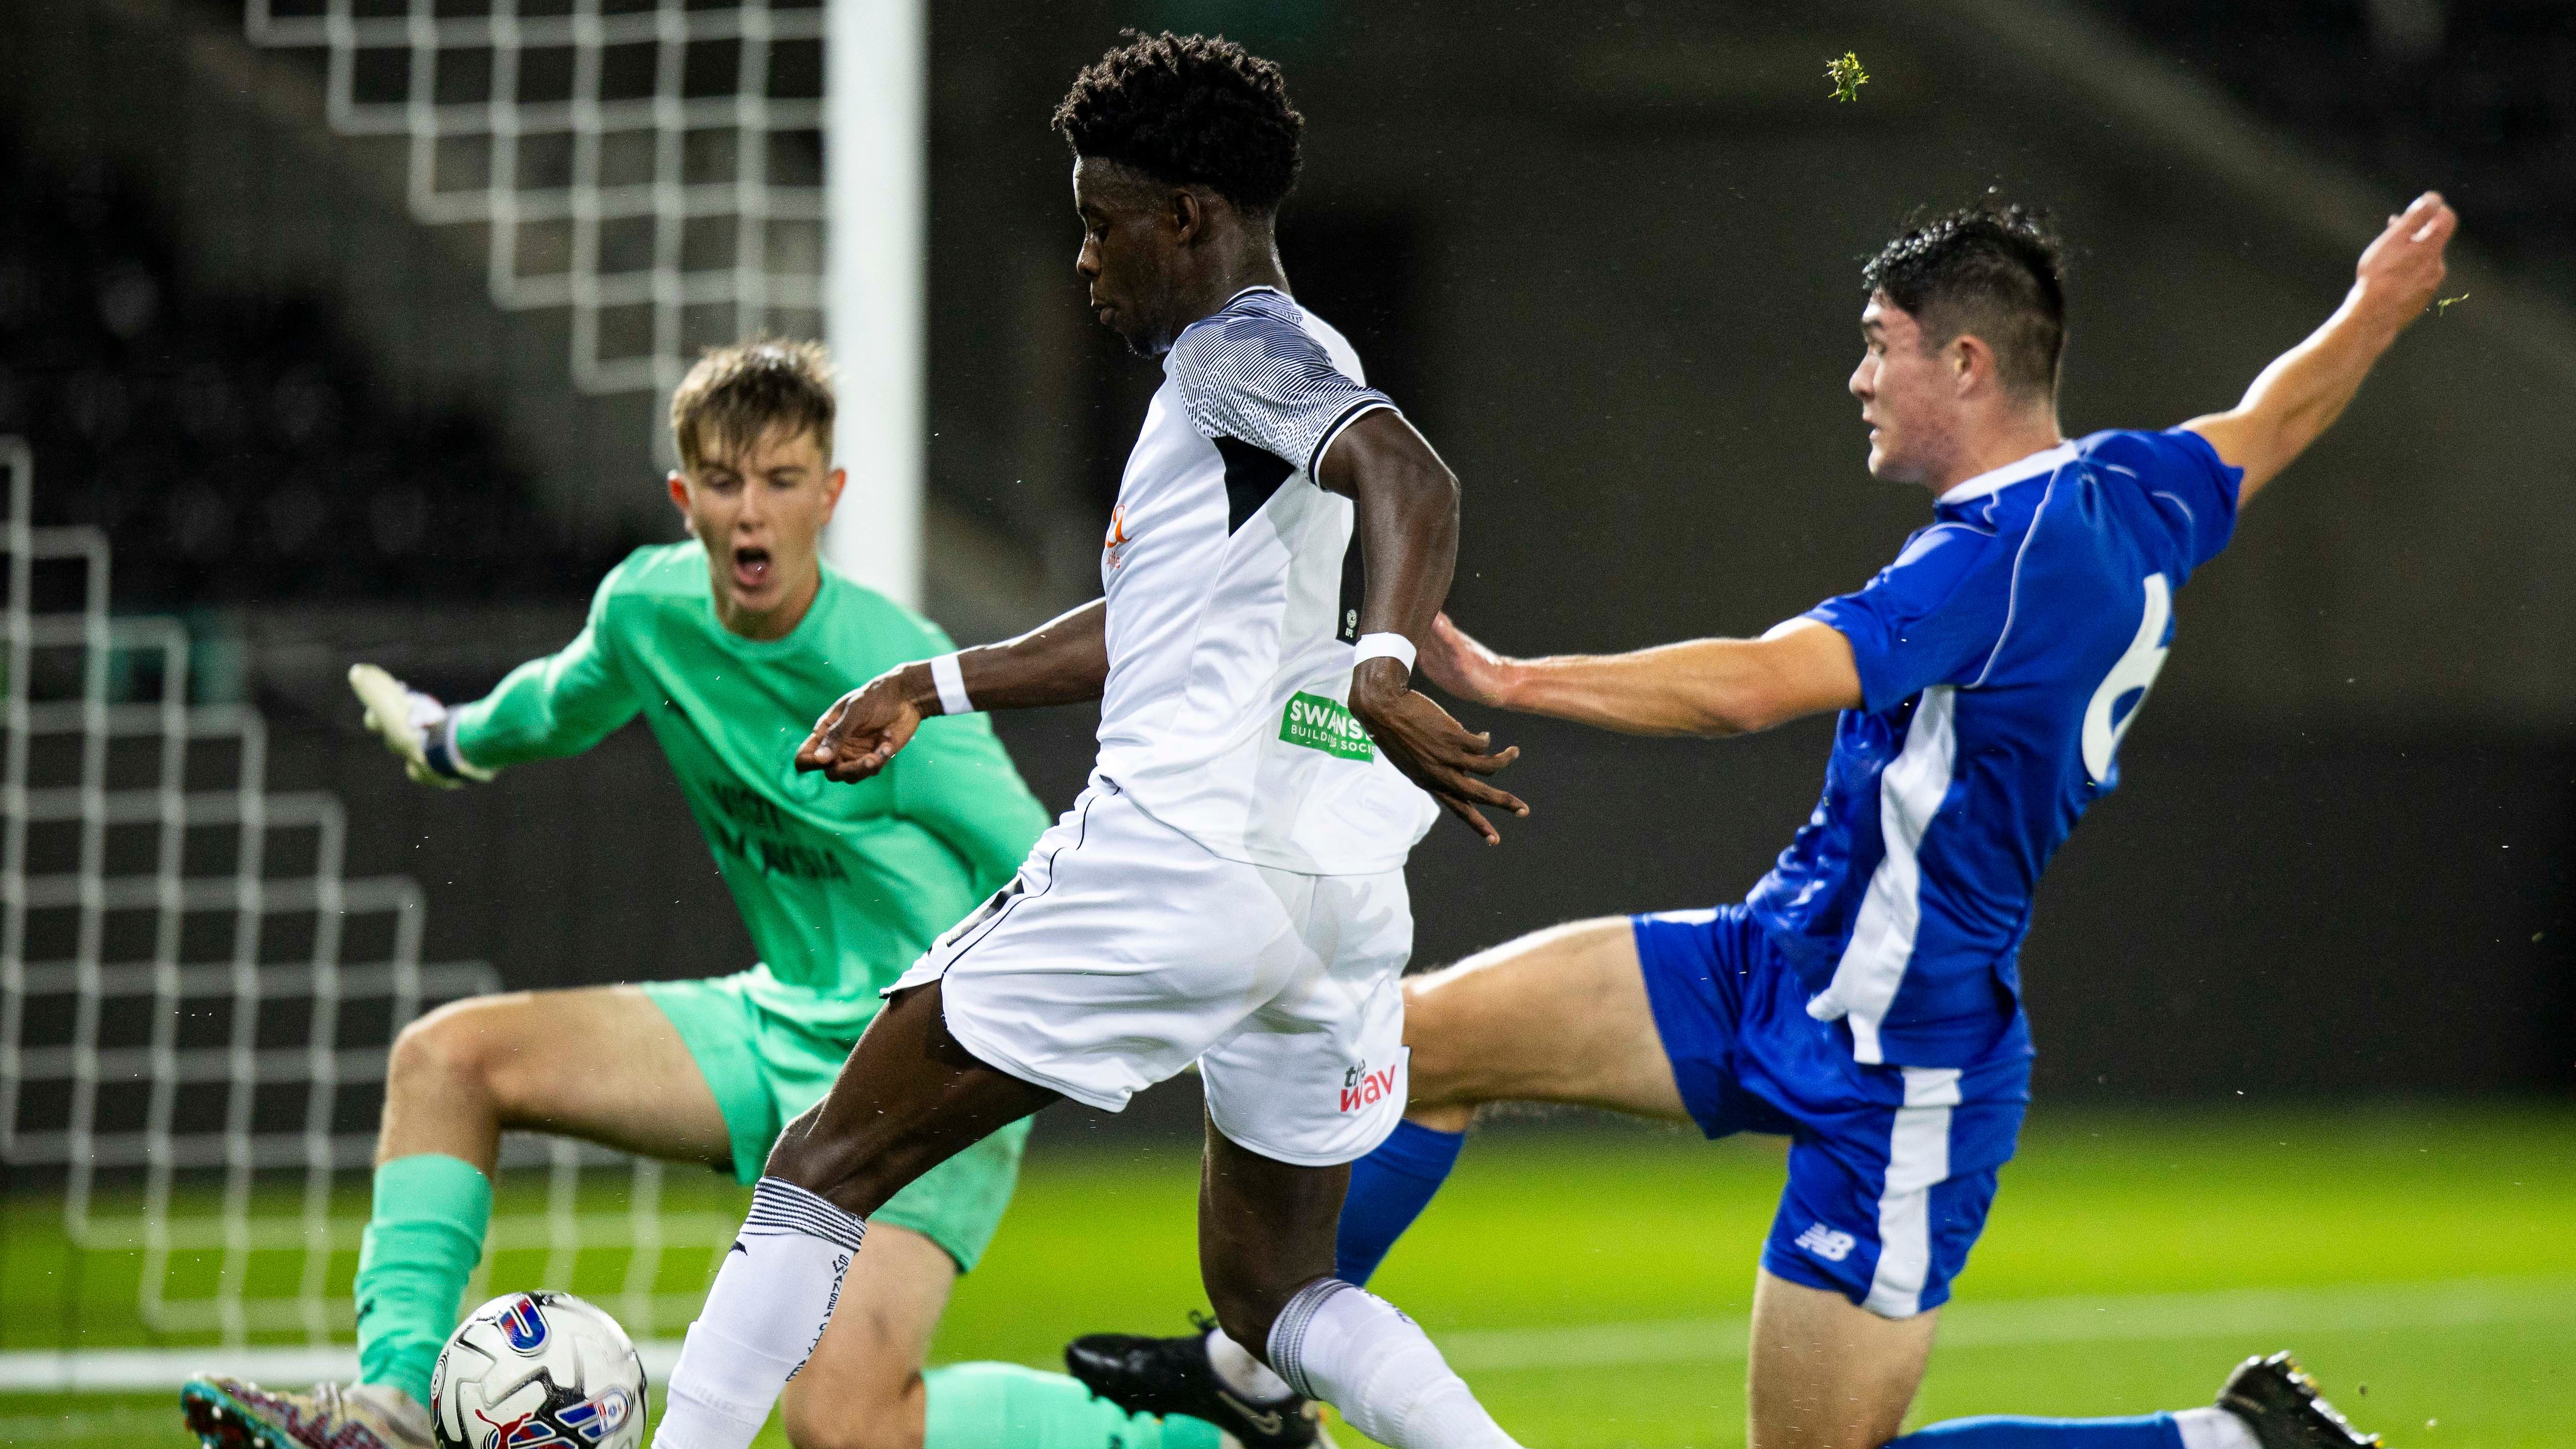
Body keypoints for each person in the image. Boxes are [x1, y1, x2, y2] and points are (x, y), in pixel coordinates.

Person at [1065, 195, 2459, 1449]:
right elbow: (2277, 414)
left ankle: (2224, 1444)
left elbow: (1755, 684)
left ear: (1964, 365)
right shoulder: (2141, 488)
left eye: (1880, 344)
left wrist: (1513, 680)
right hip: (1770, 961)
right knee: (1413, 1046)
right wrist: (2377, 307)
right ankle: (1254, 1378)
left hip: (1906, 1061)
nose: (1858, 376)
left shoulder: (1997, 562)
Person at [644, 32, 1534, 1449]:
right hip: (1332, 894)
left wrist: (1383, 654)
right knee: (1273, 1289)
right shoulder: (1284, 365)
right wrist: (932, 684)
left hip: (1177, 862)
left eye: (1100, 225)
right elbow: (1154, 620)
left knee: (825, 1157)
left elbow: (1411, 473)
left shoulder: (1239, 347)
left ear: (1187, 219)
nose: (1085, 260)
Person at [182, 341, 1212, 1449]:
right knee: (447, 1060)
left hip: (920, 1065)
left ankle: (1181, 1435)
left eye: (781, 481)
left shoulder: (887, 666)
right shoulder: (649, 611)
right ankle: (391, 1411)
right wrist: (447, 741)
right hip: (776, 1026)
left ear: (831, 495)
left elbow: (1033, 854)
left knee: (844, 1431)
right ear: (685, 496)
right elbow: (555, 704)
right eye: (724, 482)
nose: (752, 513)